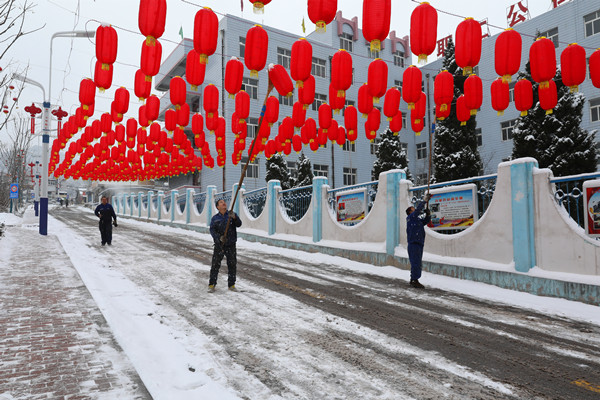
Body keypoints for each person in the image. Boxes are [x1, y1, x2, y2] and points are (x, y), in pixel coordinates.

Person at [209, 199, 242, 292]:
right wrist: (219, 238)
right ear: (217, 207)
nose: (223, 203)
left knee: (232, 265)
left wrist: (235, 217)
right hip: (219, 245)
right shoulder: (215, 218)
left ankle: (231, 284)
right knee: (215, 265)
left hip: (230, 244)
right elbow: (212, 230)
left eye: (224, 202)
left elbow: (239, 224)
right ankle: (212, 284)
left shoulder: (231, 215)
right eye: (221, 202)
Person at [405, 193, 431, 289]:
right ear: (410, 212)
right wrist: (424, 200)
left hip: (419, 243)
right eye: (413, 209)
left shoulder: (417, 220)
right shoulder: (410, 218)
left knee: (417, 262)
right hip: (414, 244)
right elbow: (418, 210)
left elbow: (426, 221)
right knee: (416, 262)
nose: (415, 210)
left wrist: (428, 214)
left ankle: (413, 279)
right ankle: (414, 280)